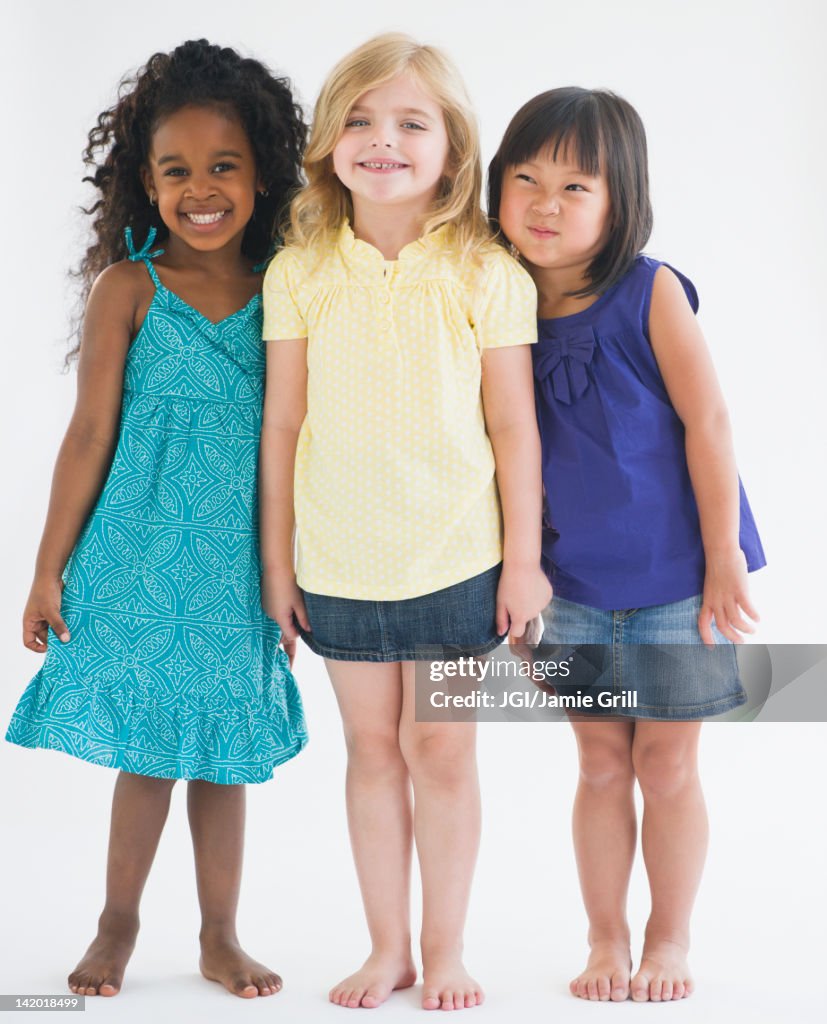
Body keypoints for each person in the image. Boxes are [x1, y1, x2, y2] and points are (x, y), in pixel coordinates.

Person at [6, 39, 308, 999]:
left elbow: (299, 442)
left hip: (234, 566)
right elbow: (89, 432)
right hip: (134, 557)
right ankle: (118, 920)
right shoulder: (126, 290)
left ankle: (221, 935)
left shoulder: (287, 290)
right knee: (146, 754)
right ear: (145, 180)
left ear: (262, 175)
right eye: (177, 170)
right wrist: (47, 566)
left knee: (222, 757)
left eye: (225, 166)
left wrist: (286, 570)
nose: (202, 188)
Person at [260, 33, 550, 1012]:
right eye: (358, 120)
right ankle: (386, 948)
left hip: (457, 560)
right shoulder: (298, 271)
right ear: (328, 144)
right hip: (337, 560)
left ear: (450, 147)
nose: (381, 139)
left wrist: (522, 563)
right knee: (371, 752)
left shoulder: (485, 272)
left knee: (443, 753)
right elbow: (284, 421)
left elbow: (512, 424)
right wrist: (276, 562)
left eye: (409, 122)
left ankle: (446, 948)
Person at [489, 87, 766, 1003]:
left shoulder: (648, 291)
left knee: (667, 763)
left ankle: (669, 939)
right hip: (566, 581)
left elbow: (708, 419)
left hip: (675, 575)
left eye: (575, 186)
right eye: (524, 179)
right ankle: (604, 938)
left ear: (621, 201)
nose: (544, 203)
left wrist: (722, 554)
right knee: (601, 762)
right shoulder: (495, 299)